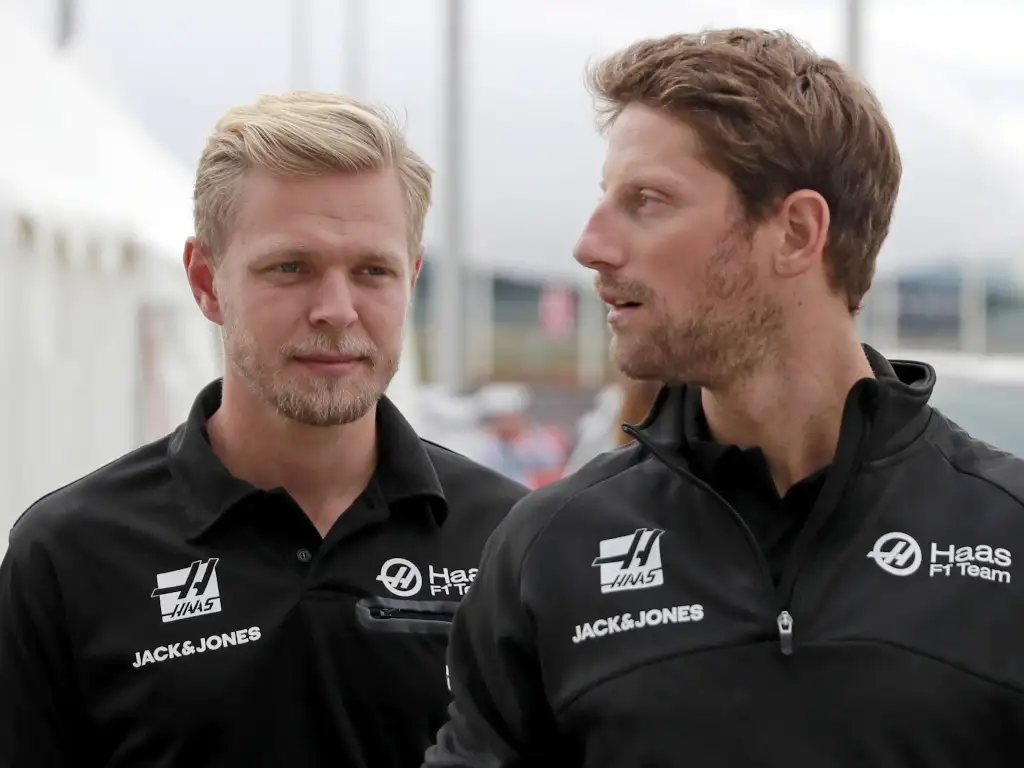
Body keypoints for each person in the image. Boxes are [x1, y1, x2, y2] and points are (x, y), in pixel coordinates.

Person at [425, 29, 1024, 767]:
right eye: (604, 200)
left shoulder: (1009, 533)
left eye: (646, 200)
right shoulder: (548, 549)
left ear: (797, 232)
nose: (590, 244)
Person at [0, 91, 528, 767]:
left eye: (372, 270)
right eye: (291, 268)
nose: (337, 310)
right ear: (205, 280)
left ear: (411, 276)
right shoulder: (70, 556)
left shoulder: (511, 539)